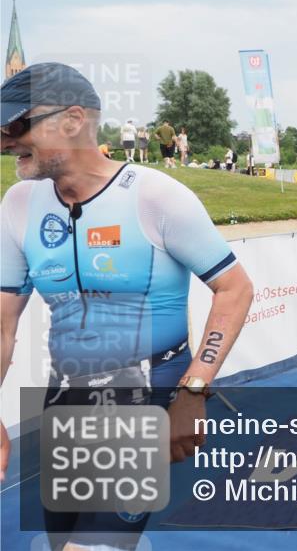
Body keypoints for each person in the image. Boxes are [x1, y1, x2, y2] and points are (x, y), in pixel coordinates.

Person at [0, 63, 254, 550]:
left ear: (72, 120)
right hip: (66, 399)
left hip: (145, 395)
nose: (7, 141)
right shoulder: (19, 204)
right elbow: (3, 324)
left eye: (18, 126)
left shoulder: (155, 196)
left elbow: (235, 289)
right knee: (65, 541)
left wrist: (193, 392)